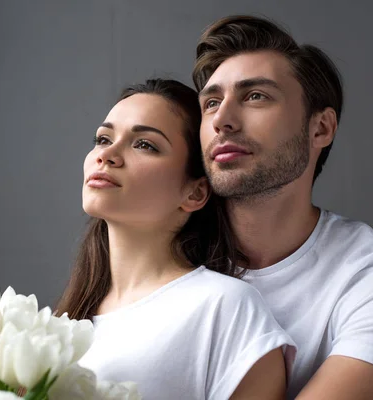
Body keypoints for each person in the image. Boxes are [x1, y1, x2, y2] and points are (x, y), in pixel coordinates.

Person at [193, 15, 373, 399]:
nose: (222, 119)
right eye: (211, 102)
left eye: (256, 96)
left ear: (320, 128)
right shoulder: (165, 252)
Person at [55, 79, 295, 400]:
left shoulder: (224, 308)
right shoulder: (68, 317)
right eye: (102, 139)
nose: (108, 155)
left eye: (145, 145)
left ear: (195, 192)